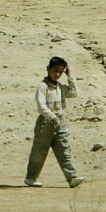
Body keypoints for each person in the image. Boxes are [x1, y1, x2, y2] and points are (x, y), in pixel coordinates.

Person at [25, 56, 84, 188]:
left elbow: (74, 93)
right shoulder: (43, 86)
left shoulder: (61, 88)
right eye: (55, 71)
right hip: (46, 122)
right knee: (39, 151)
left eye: (60, 72)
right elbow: (40, 105)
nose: (57, 74)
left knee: (64, 149)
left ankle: (72, 177)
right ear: (48, 69)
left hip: (60, 121)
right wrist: (52, 117)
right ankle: (31, 177)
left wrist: (70, 75)